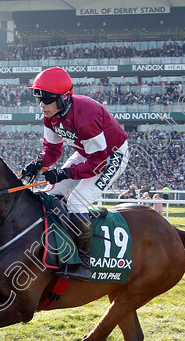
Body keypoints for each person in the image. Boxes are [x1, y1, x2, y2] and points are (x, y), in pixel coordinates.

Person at [20, 67, 130, 280]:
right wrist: (37, 164)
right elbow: (52, 151)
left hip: (110, 157)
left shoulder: (86, 118)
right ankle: (58, 246)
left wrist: (62, 173)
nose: (42, 104)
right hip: (86, 154)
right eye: (39, 98)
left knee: (76, 205)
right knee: (50, 194)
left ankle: (85, 264)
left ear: (63, 98)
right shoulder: (50, 115)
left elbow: (98, 164)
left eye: (47, 99)